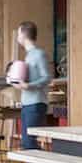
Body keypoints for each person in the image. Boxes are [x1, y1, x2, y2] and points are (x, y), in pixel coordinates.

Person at [8, 21, 52, 149]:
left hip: (36, 103)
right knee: (27, 142)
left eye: (18, 33)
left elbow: (47, 77)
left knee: (29, 142)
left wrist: (28, 86)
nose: (17, 37)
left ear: (23, 34)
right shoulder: (28, 56)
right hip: (27, 103)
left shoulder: (39, 54)